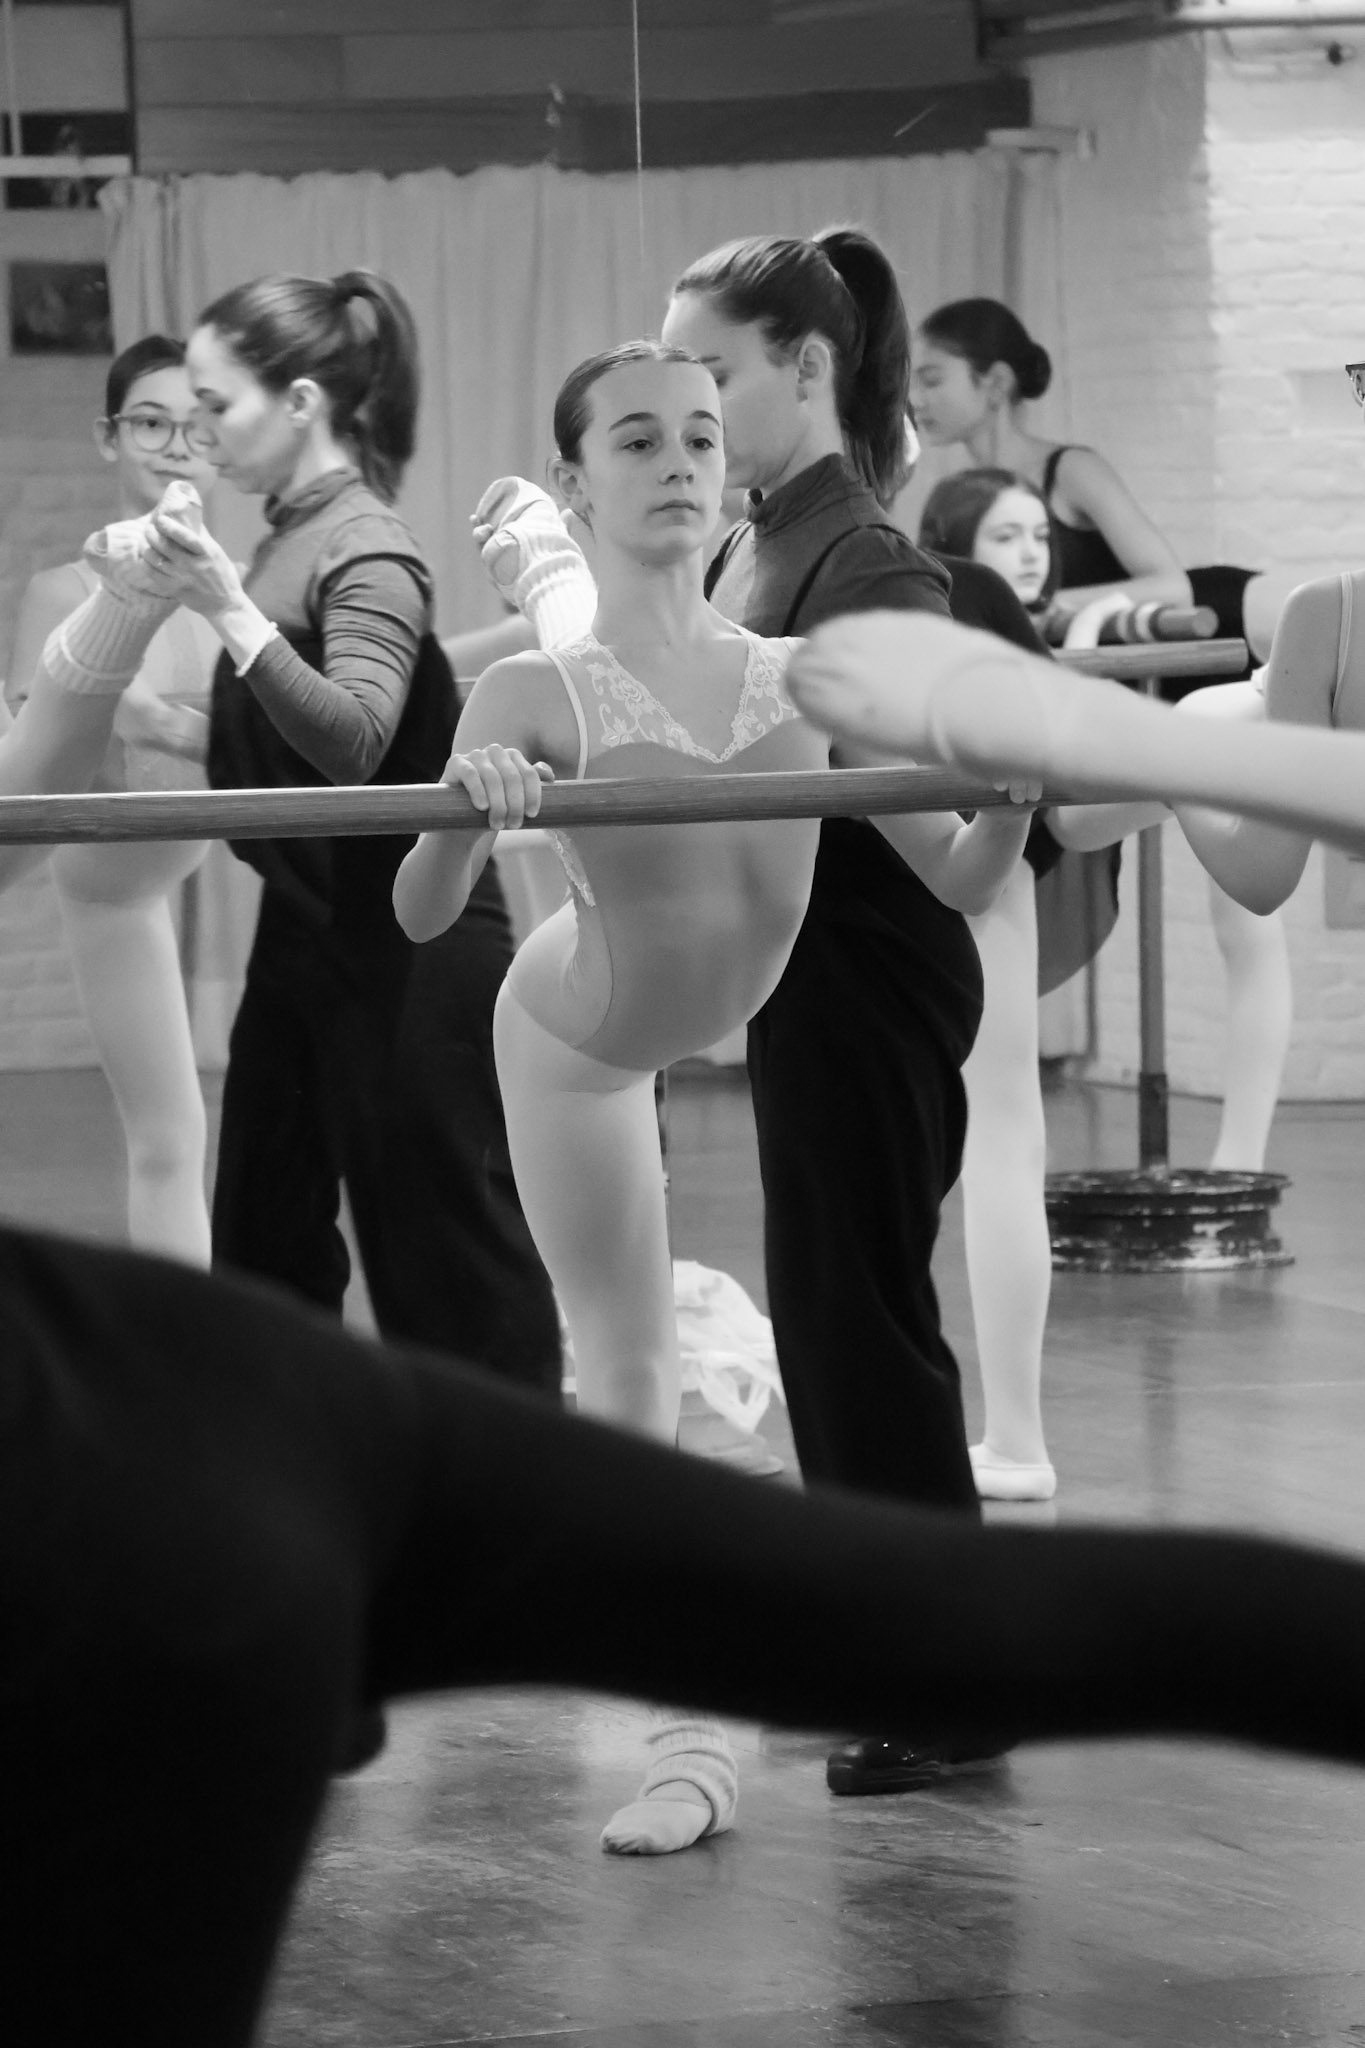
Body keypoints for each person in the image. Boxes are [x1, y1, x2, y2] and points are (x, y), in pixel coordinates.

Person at [396, 339, 1032, 1852]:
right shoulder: (528, 700)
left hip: (715, 982)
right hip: (575, 1034)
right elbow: (420, 917)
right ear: (582, 475)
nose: (680, 461)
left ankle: (541, 559)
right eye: (636, 443)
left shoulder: (798, 678)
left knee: (616, 652)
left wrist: (1007, 796)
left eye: (697, 436)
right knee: (623, 1380)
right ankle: (689, 1747)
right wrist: (468, 821)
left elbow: (951, 870)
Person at [125, 269, 560, 1389]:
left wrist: (219, 603)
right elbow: (276, 734)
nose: (202, 433)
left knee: (448, 1273)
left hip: (415, 939)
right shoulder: (290, 537)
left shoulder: (364, 542)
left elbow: (357, 737)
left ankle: (512, 1525)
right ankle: (303, 1501)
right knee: (263, 1246)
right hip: (314, 932)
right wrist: (140, 713)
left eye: (219, 405)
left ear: (304, 401)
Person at [914, 311, 1293, 1174]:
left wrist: (1051, 613)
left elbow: (1169, 577)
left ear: (994, 382)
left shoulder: (1064, 469)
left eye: (934, 377)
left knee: (1244, 914)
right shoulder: (962, 503)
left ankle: (1241, 1159)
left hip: (1206, 635)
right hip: (1106, 696)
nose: (918, 398)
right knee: (1156, 849)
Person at [916, 468, 1165, 1498]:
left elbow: (1058, 812)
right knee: (981, 1138)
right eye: (1006, 532)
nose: (1031, 551)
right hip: (958, 856)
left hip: (986, 868)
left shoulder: (985, 617)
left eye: (1037, 534)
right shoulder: (948, 610)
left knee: (1002, 1134)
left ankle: (1015, 1432)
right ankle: (1006, 1432)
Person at [6, 336, 220, 1263]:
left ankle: (192, 1351)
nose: (174, 444)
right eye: (149, 422)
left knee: (185, 1136)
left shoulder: (225, 596)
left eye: (194, 426)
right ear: (108, 436)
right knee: (168, 1137)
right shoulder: (62, 590)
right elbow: (70, 746)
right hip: (109, 878)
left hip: (187, 846)